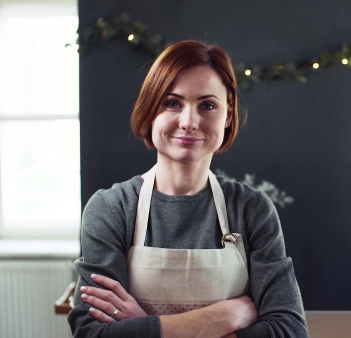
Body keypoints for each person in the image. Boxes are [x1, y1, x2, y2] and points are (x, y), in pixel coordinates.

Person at [68, 40, 308, 338]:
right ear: (150, 111)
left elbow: (290, 330)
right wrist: (227, 315)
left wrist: (143, 325)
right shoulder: (112, 208)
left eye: (207, 105)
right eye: (172, 103)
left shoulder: (252, 210)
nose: (189, 121)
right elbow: (90, 332)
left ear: (228, 116)